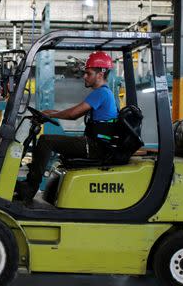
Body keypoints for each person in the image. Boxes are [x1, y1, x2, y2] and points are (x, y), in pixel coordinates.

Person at [16, 51, 118, 202]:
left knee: (46, 141)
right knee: (48, 141)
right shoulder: (103, 93)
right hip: (95, 144)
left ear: (100, 74)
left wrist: (51, 115)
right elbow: (74, 112)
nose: (84, 76)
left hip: (95, 146)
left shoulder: (101, 93)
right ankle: (31, 184)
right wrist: (49, 113)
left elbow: (73, 114)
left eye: (88, 73)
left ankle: (30, 187)